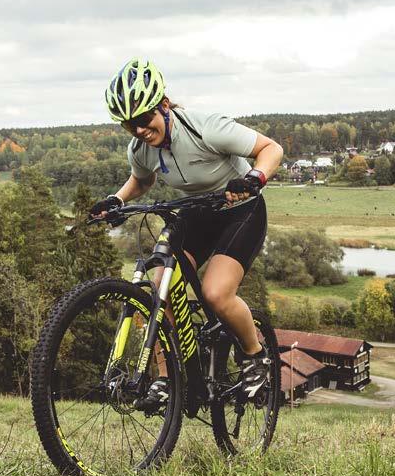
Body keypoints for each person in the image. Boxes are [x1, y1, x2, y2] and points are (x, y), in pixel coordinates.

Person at [89, 58, 283, 403]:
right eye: (128, 125)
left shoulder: (205, 128)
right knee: (158, 283)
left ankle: (255, 356)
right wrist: (116, 200)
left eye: (144, 119)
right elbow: (142, 180)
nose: (139, 130)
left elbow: (271, 149)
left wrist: (255, 178)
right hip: (196, 212)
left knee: (216, 293)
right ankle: (167, 379)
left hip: (240, 210)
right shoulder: (140, 148)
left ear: (163, 105)